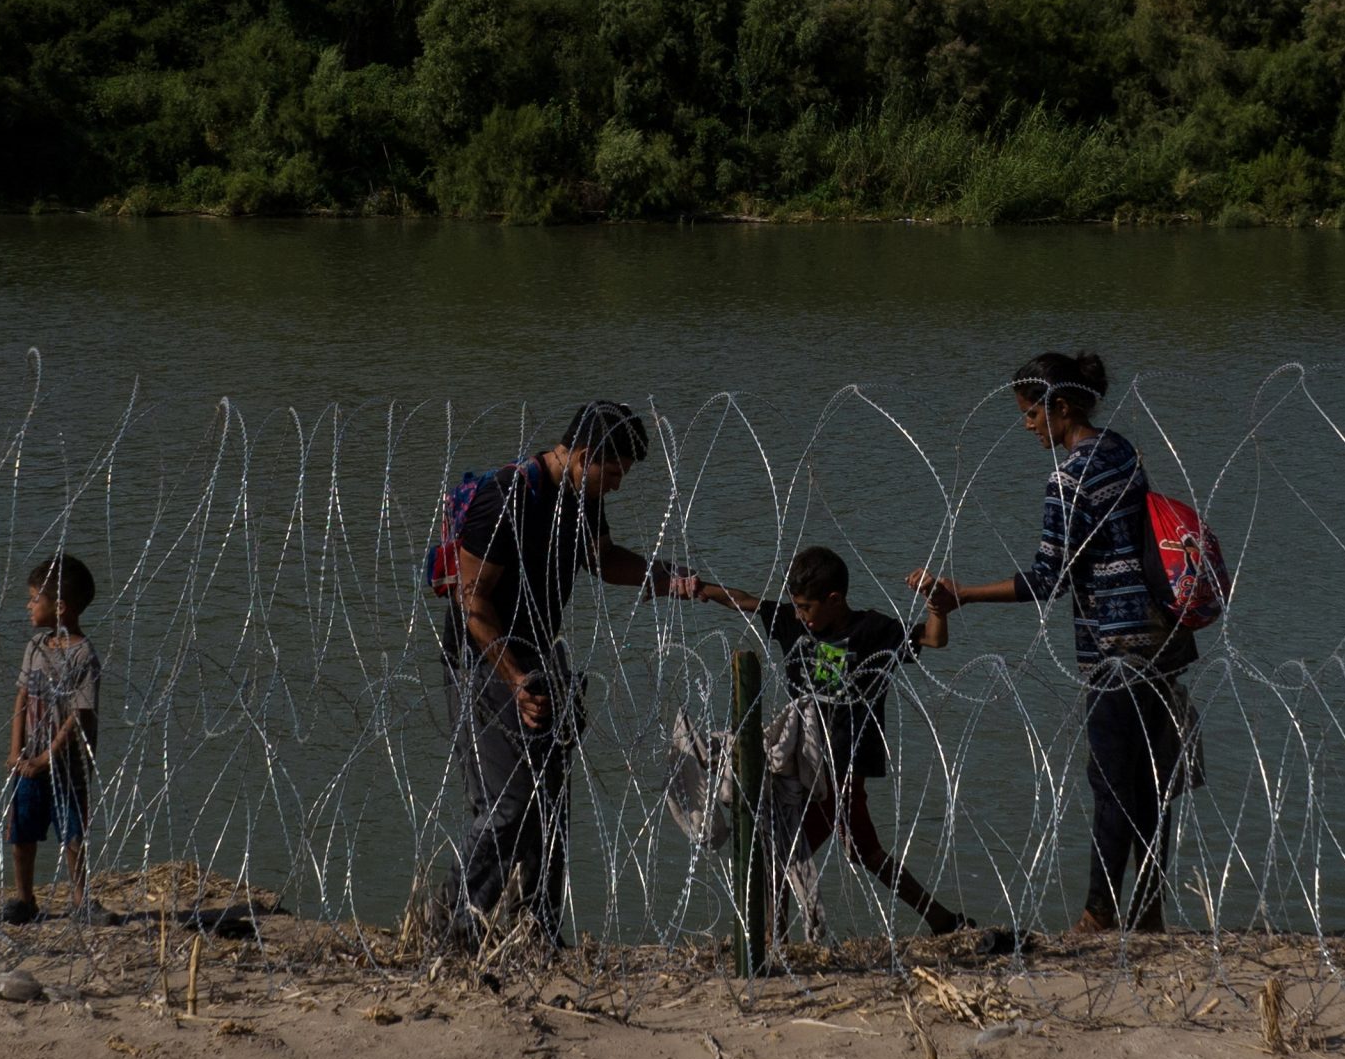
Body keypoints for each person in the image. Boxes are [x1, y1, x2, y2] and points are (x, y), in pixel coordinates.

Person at [911, 352, 1195, 933]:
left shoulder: (1068, 478)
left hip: (1117, 647)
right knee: (1150, 782)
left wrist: (961, 594)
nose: (1028, 426)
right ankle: (1148, 911)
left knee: (1113, 780)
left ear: (1060, 407)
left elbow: (1047, 578)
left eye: (1032, 414)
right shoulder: (1122, 450)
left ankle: (1099, 913)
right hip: (1163, 637)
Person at [449, 400, 702, 947]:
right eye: (613, 473)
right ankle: (458, 927)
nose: (616, 486)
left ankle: (539, 931)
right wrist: (515, 680)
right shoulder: (506, 497)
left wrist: (667, 577)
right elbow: (474, 604)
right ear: (585, 456)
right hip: (487, 661)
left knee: (549, 804)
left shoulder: (578, 496)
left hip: (541, 656)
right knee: (507, 804)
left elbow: (603, 559)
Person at [694, 544, 977, 940]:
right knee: (865, 851)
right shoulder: (794, 623)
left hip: (843, 767)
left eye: (807, 607)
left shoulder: (873, 631)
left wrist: (936, 607)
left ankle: (772, 944)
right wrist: (696, 587)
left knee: (784, 852)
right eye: (795, 605)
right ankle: (943, 921)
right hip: (803, 764)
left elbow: (933, 639)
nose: (798, 614)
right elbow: (745, 601)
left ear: (835, 599)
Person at [3, 552, 105, 926]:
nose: (29, 606)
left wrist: (47, 757)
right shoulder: (35, 647)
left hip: (68, 762)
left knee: (73, 833)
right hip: (27, 762)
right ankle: (24, 899)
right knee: (21, 834)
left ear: (59, 607)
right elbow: (21, 698)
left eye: (35, 599)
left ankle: (81, 901)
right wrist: (16, 751)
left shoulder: (84, 656)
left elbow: (79, 716)